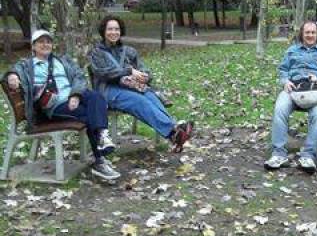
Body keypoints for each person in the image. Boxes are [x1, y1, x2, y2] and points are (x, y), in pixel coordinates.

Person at [4, 30, 120, 180]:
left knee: (96, 97)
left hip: (74, 97)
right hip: (54, 106)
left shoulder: (62, 60)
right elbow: (11, 71)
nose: (46, 44)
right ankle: (100, 160)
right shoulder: (27, 65)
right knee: (88, 116)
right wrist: (11, 75)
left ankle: (102, 136)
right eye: (41, 42)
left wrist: (75, 94)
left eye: (48, 41)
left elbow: (79, 76)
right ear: (33, 46)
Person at [88, 16, 193, 152]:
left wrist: (145, 77)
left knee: (149, 96)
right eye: (110, 29)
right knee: (138, 100)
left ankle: (175, 131)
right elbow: (104, 73)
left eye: (116, 29)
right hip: (108, 90)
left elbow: (144, 69)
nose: (113, 32)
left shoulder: (129, 51)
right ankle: (173, 133)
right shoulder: (97, 53)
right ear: (103, 31)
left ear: (121, 31)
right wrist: (129, 71)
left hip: (131, 87)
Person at [264, 21, 317, 174]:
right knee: (280, 108)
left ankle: (308, 156)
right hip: (293, 90)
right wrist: (285, 82)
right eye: (307, 32)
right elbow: (283, 70)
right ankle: (279, 154)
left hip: (314, 91)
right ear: (302, 34)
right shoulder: (291, 50)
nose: (310, 35)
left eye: (313, 32)